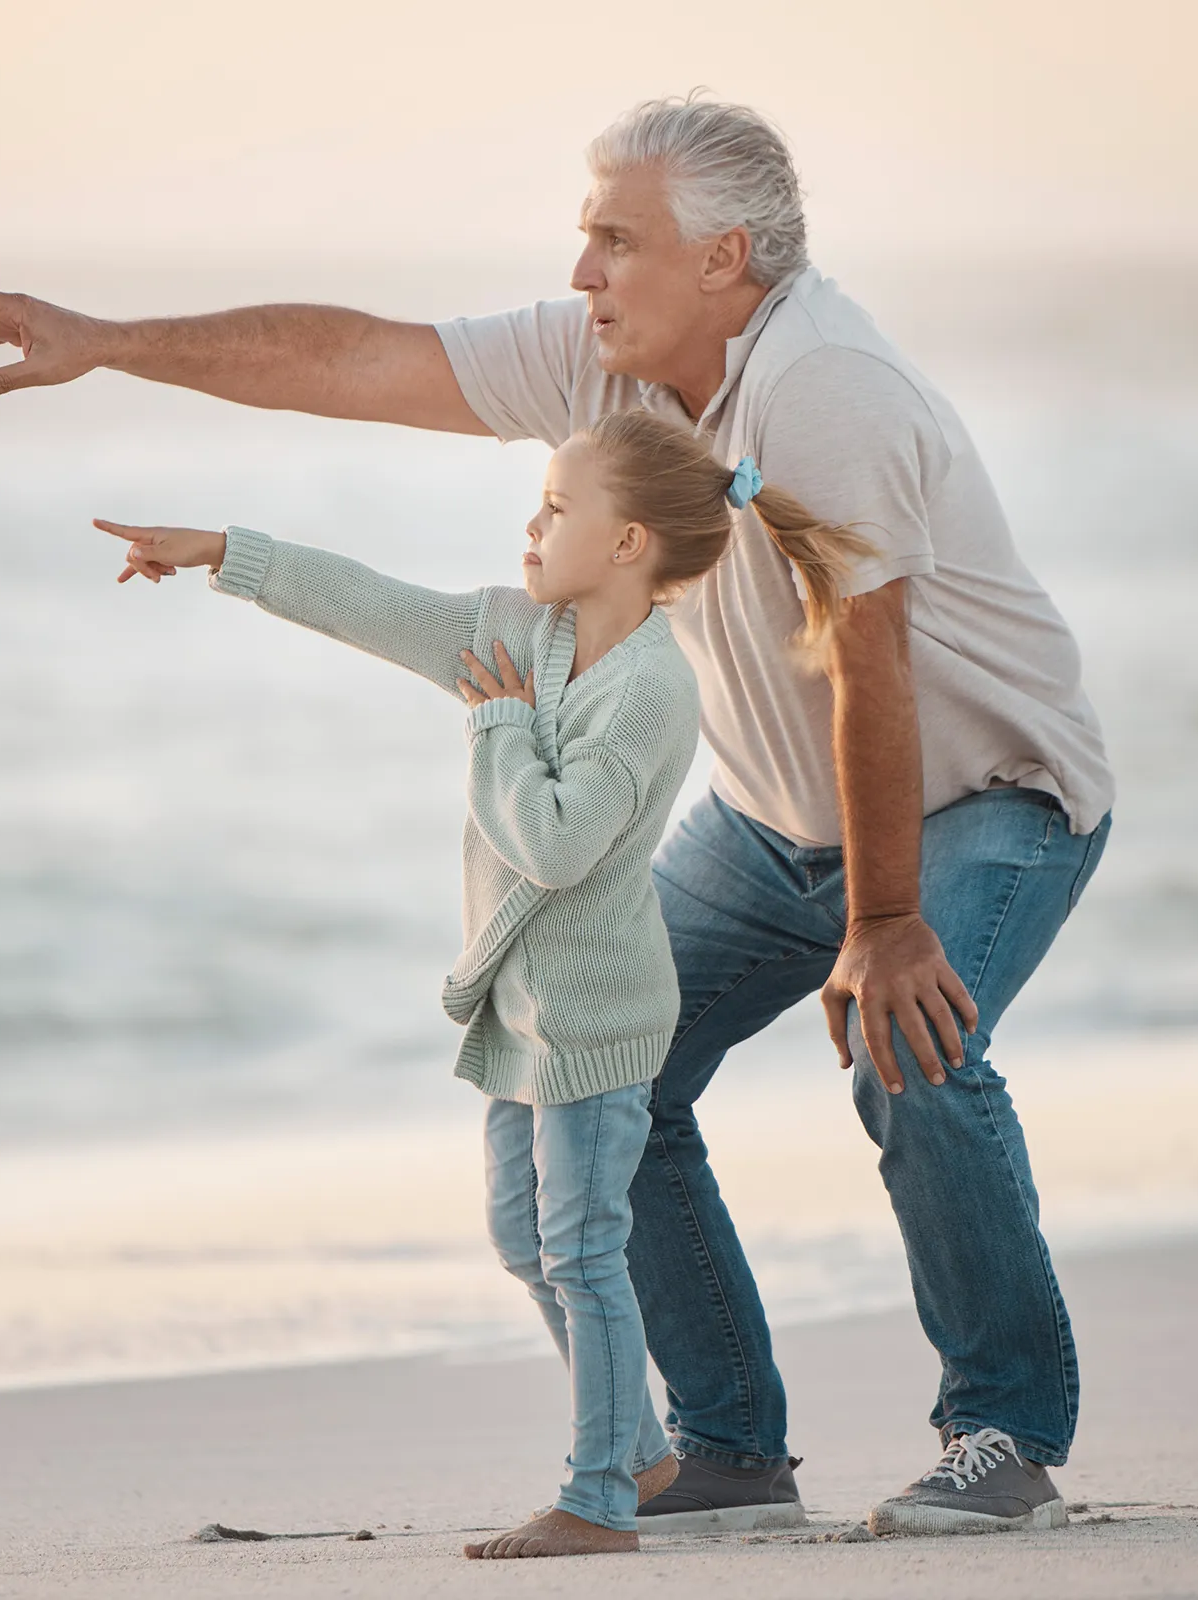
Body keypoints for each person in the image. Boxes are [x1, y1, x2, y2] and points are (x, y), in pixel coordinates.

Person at [0, 93, 1114, 1538]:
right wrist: (106, 343)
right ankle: (728, 1450)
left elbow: (864, 664)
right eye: (585, 239)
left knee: (904, 1045)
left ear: (724, 257)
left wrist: (883, 921)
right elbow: (353, 359)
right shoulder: (600, 360)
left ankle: (1003, 1433)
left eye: (614, 241)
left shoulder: (825, 387)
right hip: (770, 816)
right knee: (618, 1067)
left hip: (987, 798)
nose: (580, 275)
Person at [99, 410, 872, 1557]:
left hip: (600, 1018)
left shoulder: (655, 690)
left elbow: (553, 845)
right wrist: (222, 550)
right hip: (522, 1008)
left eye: (557, 507)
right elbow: (373, 602)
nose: (533, 521)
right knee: (524, 1236)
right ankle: (642, 1447)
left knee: (582, 1249)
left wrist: (495, 725)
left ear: (628, 544)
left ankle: (601, 1492)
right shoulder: (519, 630)